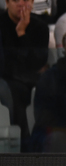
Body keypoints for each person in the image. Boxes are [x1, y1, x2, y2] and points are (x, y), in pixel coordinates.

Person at [0, 0, 49, 142]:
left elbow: (37, 62)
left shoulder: (40, 27)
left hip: (32, 78)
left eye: (26, 0)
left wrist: (21, 33)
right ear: (7, 3)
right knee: (14, 92)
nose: (21, 3)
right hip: (7, 78)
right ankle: (22, 142)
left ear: (32, 3)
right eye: (16, 0)